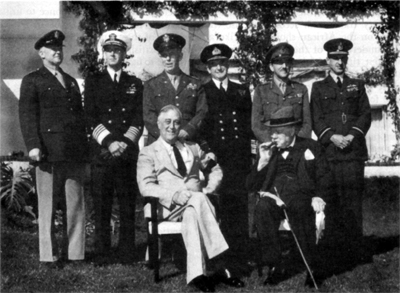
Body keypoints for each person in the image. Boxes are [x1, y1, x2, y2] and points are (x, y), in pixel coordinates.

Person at [137, 105, 244, 292]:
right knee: (199, 200)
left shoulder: (193, 148)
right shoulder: (148, 152)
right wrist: (174, 195)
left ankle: (197, 275)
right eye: (167, 122)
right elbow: (146, 186)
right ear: (159, 124)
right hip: (167, 207)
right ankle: (222, 264)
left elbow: (215, 169)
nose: (172, 126)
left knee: (193, 212)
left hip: (193, 206)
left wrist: (209, 189)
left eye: (177, 122)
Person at [19, 30, 89, 268]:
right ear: (42, 53)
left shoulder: (70, 81)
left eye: (60, 48)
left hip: (74, 151)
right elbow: (27, 116)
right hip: (48, 152)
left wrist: (84, 147)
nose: (58, 52)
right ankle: (48, 255)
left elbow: (78, 118)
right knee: (48, 205)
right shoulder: (33, 80)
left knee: (76, 204)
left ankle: (75, 253)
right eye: (52, 49)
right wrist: (33, 147)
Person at [246, 106, 334, 287]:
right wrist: (262, 161)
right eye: (272, 132)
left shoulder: (311, 146)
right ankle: (275, 265)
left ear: (292, 130)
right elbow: (250, 186)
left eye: (278, 132)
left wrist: (319, 196)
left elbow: (325, 176)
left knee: (301, 207)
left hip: (302, 196)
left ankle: (312, 267)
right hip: (275, 197)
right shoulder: (268, 152)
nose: (273, 137)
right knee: (262, 208)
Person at [84, 30, 143, 264]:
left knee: (128, 204)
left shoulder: (134, 83)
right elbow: (89, 116)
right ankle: (102, 254)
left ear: (124, 53)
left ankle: (127, 252)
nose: (113, 54)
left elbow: (138, 118)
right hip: (103, 152)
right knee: (102, 204)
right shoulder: (93, 81)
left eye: (117, 50)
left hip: (126, 153)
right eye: (108, 50)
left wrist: (125, 143)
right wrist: (110, 142)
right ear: (103, 54)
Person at [310, 38, 371, 253]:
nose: (339, 62)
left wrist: (353, 135)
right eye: (335, 58)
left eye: (343, 58)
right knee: (331, 200)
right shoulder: (318, 88)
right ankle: (333, 248)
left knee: (353, 201)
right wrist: (332, 137)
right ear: (328, 60)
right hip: (331, 153)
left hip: (353, 153)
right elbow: (316, 118)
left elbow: (365, 114)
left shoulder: (358, 85)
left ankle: (355, 247)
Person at [199, 43, 253, 260]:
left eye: (222, 63)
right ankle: (219, 253)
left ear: (228, 64)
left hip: (238, 157)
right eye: (214, 64)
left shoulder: (241, 89)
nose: (219, 67)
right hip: (216, 158)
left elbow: (248, 125)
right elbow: (201, 126)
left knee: (240, 204)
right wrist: (207, 151)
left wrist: (251, 154)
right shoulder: (203, 91)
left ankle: (241, 250)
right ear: (208, 69)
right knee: (218, 205)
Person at [143, 33, 208, 145]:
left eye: (172, 54)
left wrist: (187, 131)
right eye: (164, 55)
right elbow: (149, 117)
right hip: (159, 143)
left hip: (188, 142)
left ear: (180, 56)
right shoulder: (151, 85)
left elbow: (202, 112)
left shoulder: (195, 84)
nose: (168, 59)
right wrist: (167, 136)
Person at [252, 43, 311, 143]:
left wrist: (297, 145)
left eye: (287, 62)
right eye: (279, 62)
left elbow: (307, 123)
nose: (284, 66)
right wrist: (273, 143)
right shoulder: (261, 91)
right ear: (271, 67)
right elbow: (257, 125)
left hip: (296, 149)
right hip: (271, 148)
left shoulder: (301, 89)